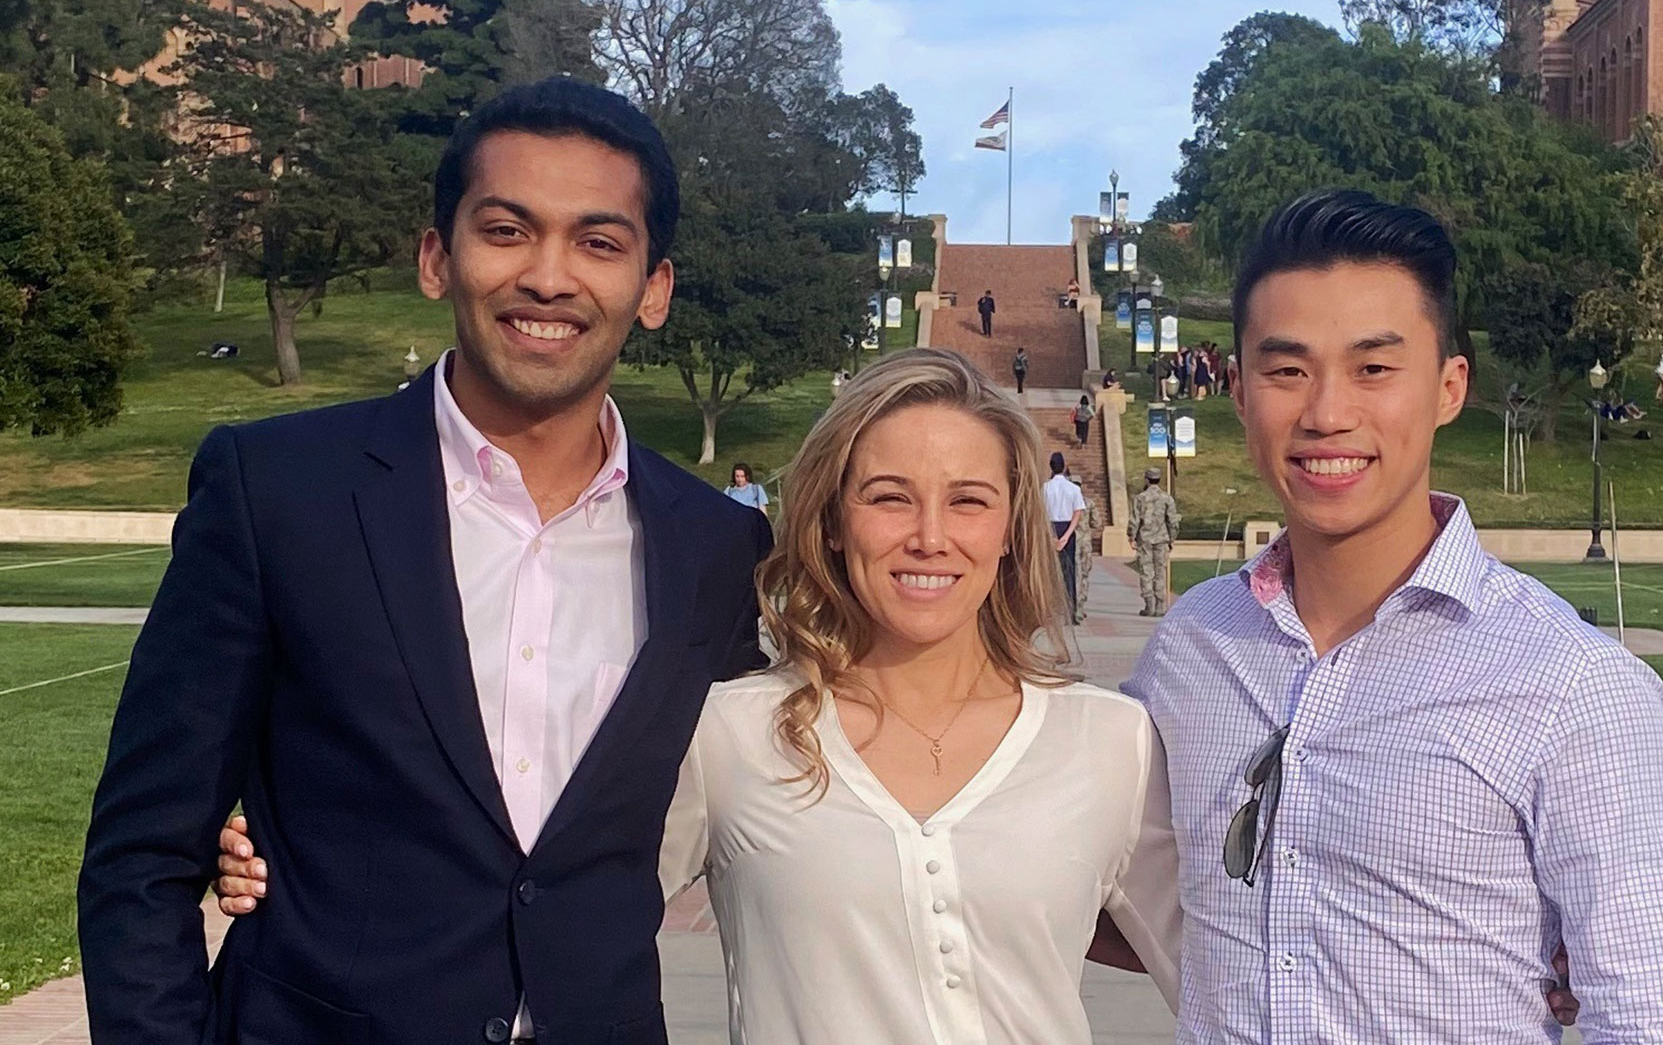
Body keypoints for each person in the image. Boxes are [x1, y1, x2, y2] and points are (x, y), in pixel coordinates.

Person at [77, 77, 774, 1045]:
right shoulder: (276, 492)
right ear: (436, 257)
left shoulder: (717, 546)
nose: (547, 275)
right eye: (506, 229)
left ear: (653, 288)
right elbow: (140, 859)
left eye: (598, 242)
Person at [214, 350, 1183, 1043]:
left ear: (1014, 526)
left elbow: (1244, 956)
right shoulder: (732, 732)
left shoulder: (1108, 744)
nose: (929, 535)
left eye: (967, 500)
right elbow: (530, 886)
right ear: (833, 522)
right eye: (888, 495)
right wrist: (307, 845)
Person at [1123, 190, 1663, 1041]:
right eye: (1288, 370)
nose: (1326, 412)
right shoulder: (1195, 645)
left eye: (1374, 368)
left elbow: (1644, 1021)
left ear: (1448, 386)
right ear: (1239, 391)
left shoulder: (1575, 687)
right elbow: (1088, 869)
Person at [1127, 466, 1179, 618]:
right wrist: (1172, 538)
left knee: (1146, 572)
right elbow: (1173, 522)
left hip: (1145, 540)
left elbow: (1135, 520)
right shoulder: (1166, 498)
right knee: (1160, 572)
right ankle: (1160, 606)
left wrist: (1131, 537)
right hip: (1162, 539)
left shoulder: (1140, 498)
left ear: (1147, 479)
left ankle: (1149, 604)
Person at [1042, 451, 1085, 620]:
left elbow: (1042, 514)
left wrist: (1052, 535)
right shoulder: (1073, 488)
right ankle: (1070, 611)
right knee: (1069, 572)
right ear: (1064, 466)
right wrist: (1067, 536)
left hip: (1051, 527)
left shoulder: (1045, 488)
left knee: (1050, 572)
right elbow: (1077, 513)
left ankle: (1051, 611)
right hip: (1067, 527)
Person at [1071, 473, 1100, 622]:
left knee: (1071, 575)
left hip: (1070, 542)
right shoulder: (1088, 503)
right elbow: (1097, 523)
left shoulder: (1067, 502)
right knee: (1083, 575)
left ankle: (1072, 607)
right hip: (1085, 543)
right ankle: (1080, 608)